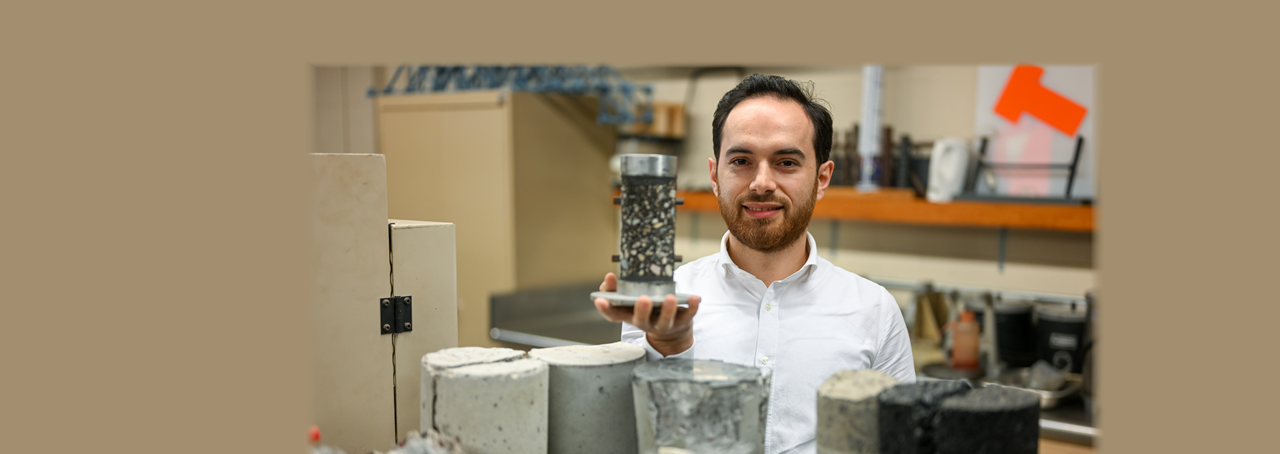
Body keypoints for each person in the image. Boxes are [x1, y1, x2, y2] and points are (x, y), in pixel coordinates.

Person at [594, 74, 916, 454]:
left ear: (822, 178)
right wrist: (670, 347)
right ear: (715, 176)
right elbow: (640, 437)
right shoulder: (664, 304)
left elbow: (902, 441)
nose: (762, 183)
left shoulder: (873, 310)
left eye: (786, 162)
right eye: (742, 161)